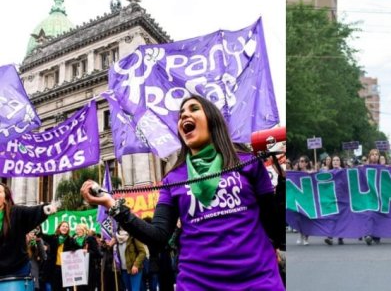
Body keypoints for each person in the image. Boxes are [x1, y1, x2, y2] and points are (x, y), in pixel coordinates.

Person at [81, 95, 284, 290]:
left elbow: (276, 229)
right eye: (181, 114)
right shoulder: (173, 178)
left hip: (257, 279)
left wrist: (284, 178)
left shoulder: (247, 163)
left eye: (194, 109)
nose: (184, 115)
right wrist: (112, 205)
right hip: (198, 283)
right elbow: (158, 236)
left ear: (213, 119)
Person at [0, 183, 57, 284]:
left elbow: (31, 212)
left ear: (5, 198)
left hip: (17, 270)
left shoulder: (16, 212)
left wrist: (44, 209)